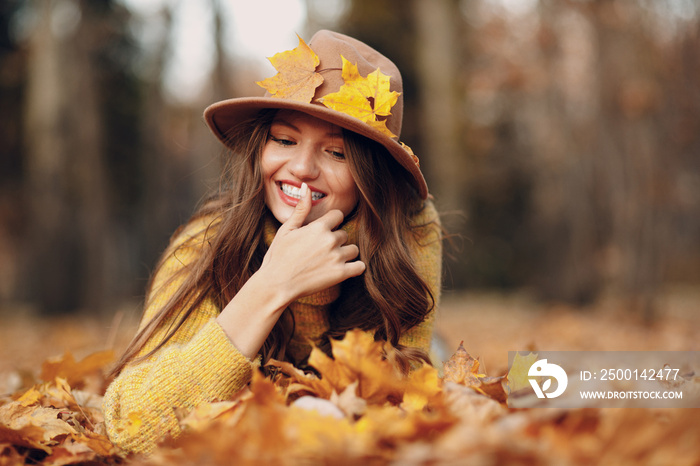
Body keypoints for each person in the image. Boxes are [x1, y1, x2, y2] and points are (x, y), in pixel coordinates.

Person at [103, 29, 442, 454]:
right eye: (284, 140)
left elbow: (412, 392)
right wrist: (271, 285)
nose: (300, 168)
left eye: (336, 153)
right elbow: (128, 424)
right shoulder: (202, 246)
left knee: (497, 372)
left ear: (371, 177)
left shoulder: (410, 227)